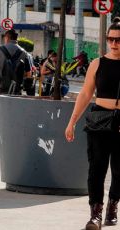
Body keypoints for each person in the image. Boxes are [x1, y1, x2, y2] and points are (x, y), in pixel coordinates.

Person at [65, 17, 120, 230]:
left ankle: (113, 205)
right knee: (96, 169)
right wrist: (72, 122)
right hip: (100, 119)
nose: (114, 44)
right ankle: (95, 213)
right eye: (110, 39)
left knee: (119, 170)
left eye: (118, 40)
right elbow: (86, 94)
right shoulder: (97, 64)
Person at [0, 29, 32, 154]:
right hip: (16, 90)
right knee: (14, 116)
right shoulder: (24, 53)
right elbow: (29, 73)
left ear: (6, 37)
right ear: (16, 38)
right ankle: (12, 143)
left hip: (0, 88)